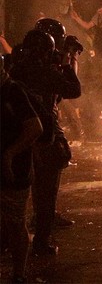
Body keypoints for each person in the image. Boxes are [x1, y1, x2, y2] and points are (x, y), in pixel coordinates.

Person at [9, 29, 82, 255]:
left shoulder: (15, 69)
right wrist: (68, 64)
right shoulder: (45, 72)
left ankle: (10, 240)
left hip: (17, 137)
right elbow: (73, 90)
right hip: (44, 137)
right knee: (46, 190)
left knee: (16, 195)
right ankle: (41, 240)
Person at [1, 63, 43, 283]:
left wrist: (9, 154)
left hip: (15, 171)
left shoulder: (13, 91)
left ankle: (18, 274)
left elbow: (35, 127)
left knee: (16, 223)